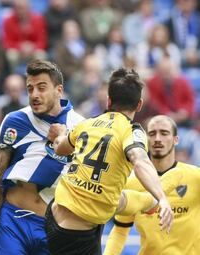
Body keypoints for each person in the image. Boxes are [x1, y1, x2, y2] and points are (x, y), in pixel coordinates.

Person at [45, 68, 173, 255]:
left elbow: (60, 147)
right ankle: (152, 202)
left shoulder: (87, 124)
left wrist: (60, 134)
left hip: (54, 214)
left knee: (115, 198)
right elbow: (140, 161)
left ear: (109, 101)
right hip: (78, 234)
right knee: (111, 199)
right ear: (139, 105)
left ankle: (150, 203)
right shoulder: (132, 131)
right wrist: (163, 198)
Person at [0, 59, 84, 254]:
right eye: (30, 88)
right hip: (12, 221)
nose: (34, 95)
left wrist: (61, 141)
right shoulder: (14, 121)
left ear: (59, 90)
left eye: (41, 88)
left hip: (53, 227)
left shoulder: (81, 127)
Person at [104, 115, 200, 255]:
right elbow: (120, 231)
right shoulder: (132, 182)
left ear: (176, 140)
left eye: (164, 133)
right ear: (145, 140)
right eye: (152, 134)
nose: (157, 139)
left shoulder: (195, 176)